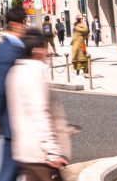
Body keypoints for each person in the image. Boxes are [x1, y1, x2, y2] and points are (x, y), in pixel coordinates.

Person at [6, 30, 72, 181]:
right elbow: (39, 113)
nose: (46, 53)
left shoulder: (16, 70)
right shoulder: (34, 72)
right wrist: (52, 151)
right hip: (39, 154)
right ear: (36, 51)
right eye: (44, 48)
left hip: (24, 150)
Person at [0, 6, 29, 181]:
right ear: (15, 25)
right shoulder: (8, 50)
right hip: (14, 122)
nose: (27, 26)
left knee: (13, 171)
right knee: (9, 173)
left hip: (17, 122)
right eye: (25, 23)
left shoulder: (13, 47)